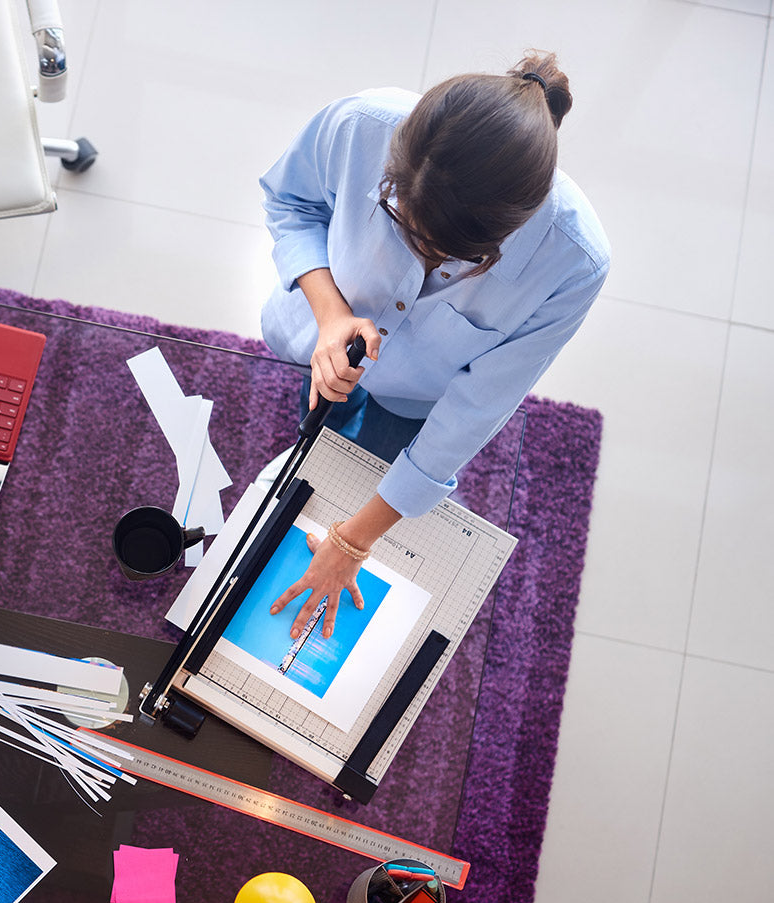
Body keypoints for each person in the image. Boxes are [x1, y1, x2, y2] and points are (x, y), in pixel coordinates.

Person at [258, 51, 608, 639]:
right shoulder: (359, 126)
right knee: (313, 444)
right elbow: (290, 204)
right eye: (403, 226)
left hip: (422, 402)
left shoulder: (574, 263)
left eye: (450, 257)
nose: (421, 258)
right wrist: (331, 313)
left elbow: (476, 409)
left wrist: (353, 541)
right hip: (322, 333)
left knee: (370, 497)